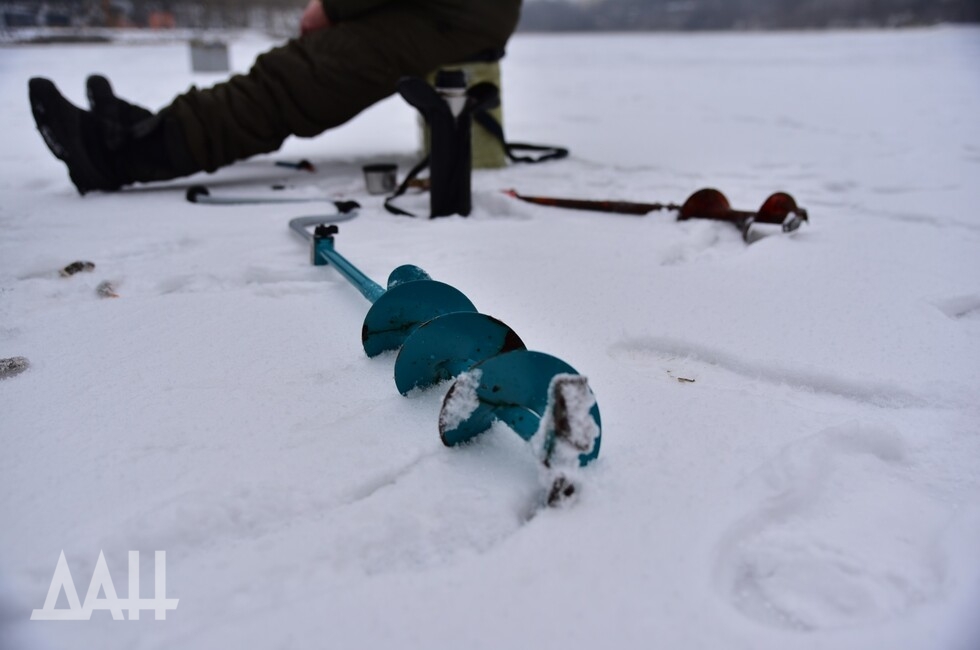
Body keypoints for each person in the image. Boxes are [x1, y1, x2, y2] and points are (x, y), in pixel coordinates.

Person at [28, 0, 523, 195]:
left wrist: (334, 7)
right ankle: (148, 127)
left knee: (293, 78)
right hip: (458, 11)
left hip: (455, 13)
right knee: (291, 70)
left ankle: (113, 155)